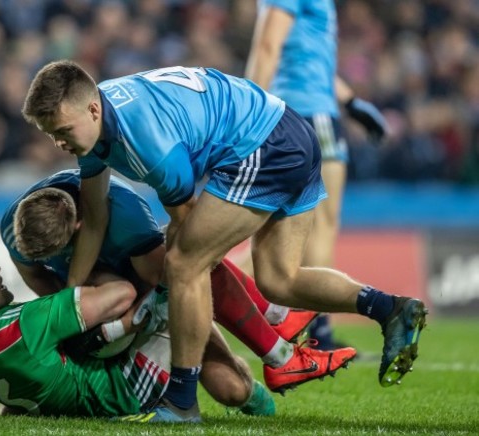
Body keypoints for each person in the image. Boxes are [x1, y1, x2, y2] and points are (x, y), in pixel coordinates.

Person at [21, 61, 427, 423]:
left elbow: (189, 237)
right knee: (279, 279)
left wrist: (153, 295)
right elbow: (94, 219)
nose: (58, 143)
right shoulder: (94, 124)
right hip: (286, 132)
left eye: (62, 131)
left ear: (93, 110)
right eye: (50, 134)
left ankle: (181, 401)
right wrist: (71, 302)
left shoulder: (146, 144)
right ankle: (390, 309)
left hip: (264, 148)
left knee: (182, 263)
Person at [3, 169, 355, 396]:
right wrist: (72, 320)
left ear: (80, 227)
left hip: (143, 292)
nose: (49, 260)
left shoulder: (126, 220)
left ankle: (274, 353)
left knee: (191, 263)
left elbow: (165, 288)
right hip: (99, 302)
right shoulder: (15, 227)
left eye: (59, 251)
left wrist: (118, 328)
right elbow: (36, 275)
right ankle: (275, 319)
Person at [0, 242, 273, 420]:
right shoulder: (26, 325)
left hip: (108, 379)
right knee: (182, 266)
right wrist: (86, 256)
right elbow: (121, 294)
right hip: (131, 386)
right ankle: (270, 321)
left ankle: (243, 386)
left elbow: (13, 398)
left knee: (228, 386)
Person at [245, 0, 388, 351]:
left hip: (296, 111)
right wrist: (247, 115)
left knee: (274, 228)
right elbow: (268, 46)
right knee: (319, 225)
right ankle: (317, 330)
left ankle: (300, 322)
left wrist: (350, 100)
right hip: (308, 115)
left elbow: (307, 55)